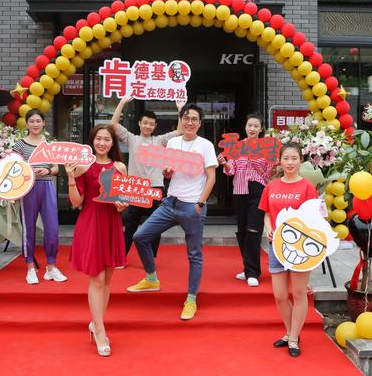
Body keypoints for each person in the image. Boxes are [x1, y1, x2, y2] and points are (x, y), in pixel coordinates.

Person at [127, 103, 218, 321]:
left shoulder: (205, 145)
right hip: (170, 203)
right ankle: (151, 278)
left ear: (199, 123)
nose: (189, 122)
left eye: (194, 119)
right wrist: (167, 172)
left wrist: (200, 203)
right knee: (140, 237)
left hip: (192, 206)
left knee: (194, 254)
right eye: (186, 118)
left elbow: (212, 176)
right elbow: (169, 174)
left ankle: (191, 298)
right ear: (181, 119)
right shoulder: (174, 142)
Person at [65, 124, 128, 357]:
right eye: (98, 138)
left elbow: (122, 200)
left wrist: (122, 204)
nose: (102, 143)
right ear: (92, 141)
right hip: (91, 222)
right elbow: (75, 202)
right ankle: (100, 329)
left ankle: (95, 322)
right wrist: (71, 178)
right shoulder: (83, 167)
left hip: (111, 223)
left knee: (108, 277)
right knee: (98, 278)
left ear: (113, 143)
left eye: (107, 139)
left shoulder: (120, 166)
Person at [258, 142, 318, 357]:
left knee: (299, 293)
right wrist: (269, 229)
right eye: (286, 158)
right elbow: (266, 213)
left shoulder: (307, 187)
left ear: (300, 160)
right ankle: (291, 331)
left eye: (294, 158)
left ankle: (293, 337)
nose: (290, 162)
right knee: (280, 295)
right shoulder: (271, 186)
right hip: (277, 246)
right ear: (280, 161)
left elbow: (316, 218)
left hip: (301, 248)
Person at [111, 96, 184, 259]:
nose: (148, 126)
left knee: (155, 226)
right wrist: (122, 102)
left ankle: (150, 257)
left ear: (155, 126)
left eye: (151, 124)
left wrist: (180, 109)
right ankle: (121, 257)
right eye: (145, 123)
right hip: (136, 188)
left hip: (155, 188)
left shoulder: (160, 140)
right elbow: (114, 125)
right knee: (130, 225)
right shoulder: (132, 139)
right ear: (139, 123)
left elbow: (179, 131)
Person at [218, 114, 273, 287]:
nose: (252, 128)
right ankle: (248, 268)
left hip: (257, 190)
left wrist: (253, 159)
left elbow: (269, 171)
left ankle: (253, 272)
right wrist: (224, 163)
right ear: (245, 127)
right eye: (250, 125)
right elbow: (231, 169)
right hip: (239, 190)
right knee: (242, 231)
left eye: (256, 126)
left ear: (261, 129)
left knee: (253, 231)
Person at [13, 109, 67, 285]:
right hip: (28, 188)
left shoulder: (50, 144)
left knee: (52, 227)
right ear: (27, 124)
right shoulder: (19, 145)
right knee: (28, 228)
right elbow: (15, 168)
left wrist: (48, 170)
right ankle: (30, 268)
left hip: (48, 186)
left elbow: (56, 168)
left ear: (44, 123)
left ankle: (51, 267)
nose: (35, 124)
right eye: (32, 121)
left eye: (38, 121)